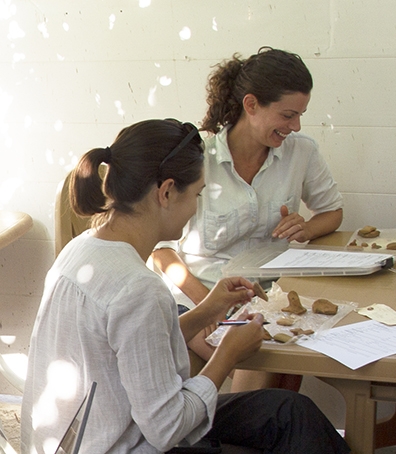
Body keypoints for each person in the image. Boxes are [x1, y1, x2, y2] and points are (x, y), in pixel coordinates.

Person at [20, 119, 350, 454]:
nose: (195, 206)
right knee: (295, 429)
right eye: (197, 194)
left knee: (289, 412)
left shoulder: (84, 248)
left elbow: (133, 349)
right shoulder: (138, 288)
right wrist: (227, 354)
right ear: (165, 192)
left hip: (85, 434)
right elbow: (167, 428)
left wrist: (207, 309)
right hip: (119, 443)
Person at [151, 47, 343, 390]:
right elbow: (162, 252)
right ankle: (239, 435)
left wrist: (307, 226)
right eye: (287, 115)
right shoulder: (198, 159)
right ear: (251, 105)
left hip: (271, 298)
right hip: (197, 298)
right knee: (255, 358)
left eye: (300, 115)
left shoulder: (302, 151)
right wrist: (210, 307)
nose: (295, 126)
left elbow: (332, 213)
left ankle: (249, 431)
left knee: (296, 352)